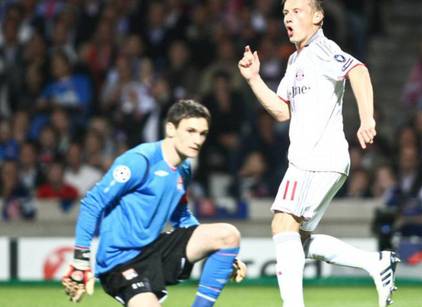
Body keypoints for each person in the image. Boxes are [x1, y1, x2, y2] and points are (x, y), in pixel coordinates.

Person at [238, 1, 399, 307]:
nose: (288, 17)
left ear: (318, 16)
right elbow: (281, 111)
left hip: (318, 158)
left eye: (297, 11)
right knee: (295, 239)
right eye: (285, 12)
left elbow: (359, 71)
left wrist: (367, 119)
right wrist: (254, 79)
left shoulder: (322, 50)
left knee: (282, 225)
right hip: (309, 161)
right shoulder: (295, 60)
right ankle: (377, 263)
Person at [62, 99, 246, 307]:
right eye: (190, 131)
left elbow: (181, 216)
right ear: (171, 128)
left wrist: (218, 252)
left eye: (202, 133)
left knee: (228, 236)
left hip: (154, 250)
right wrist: (80, 261)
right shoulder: (140, 161)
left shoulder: (184, 169)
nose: (197, 139)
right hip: (120, 261)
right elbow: (92, 203)